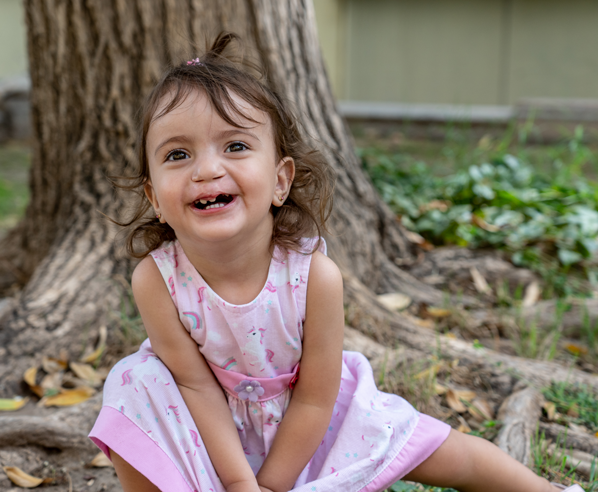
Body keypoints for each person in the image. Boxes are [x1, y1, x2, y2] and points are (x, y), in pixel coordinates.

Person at [89, 32, 583, 492]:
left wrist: (270, 486)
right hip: (208, 433)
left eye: (235, 146)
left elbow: (315, 398)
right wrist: (240, 484)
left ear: (280, 180)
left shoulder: (313, 277)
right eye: (178, 155)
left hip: (314, 423)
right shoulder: (157, 279)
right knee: (133, 386)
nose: (207, 169)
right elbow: (194, 386)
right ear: (155, 198)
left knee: (444, 450)